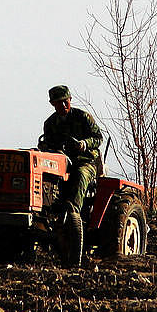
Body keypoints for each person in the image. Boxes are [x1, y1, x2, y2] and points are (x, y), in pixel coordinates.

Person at [39, 85, 103, 216]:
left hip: (85, 161)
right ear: (52, 104)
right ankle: (46, 209)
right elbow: (47, 144)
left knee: (80, 175)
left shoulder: (83, 117)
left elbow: (98, 138)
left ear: (70, 99)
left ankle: (72, 212)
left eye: (65, 101)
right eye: (58, 102)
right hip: (59, 163)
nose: (63, 105)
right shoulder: (50, 123)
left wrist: (85, 143)